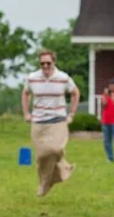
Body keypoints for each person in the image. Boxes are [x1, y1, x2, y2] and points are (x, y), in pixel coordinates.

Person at [22, 49, 79, 196]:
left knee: (54, 150)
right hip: (38, 121)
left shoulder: (63, 78)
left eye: (48, 63)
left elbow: (75, 93)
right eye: (42, 63)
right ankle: (45, 183)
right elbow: (25, 93)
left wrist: (71, 114)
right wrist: (27, 113)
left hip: (58, 120)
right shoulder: (32, 78)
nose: (45, 66)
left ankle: (58, 172)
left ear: (54, 62)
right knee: (42, 156)